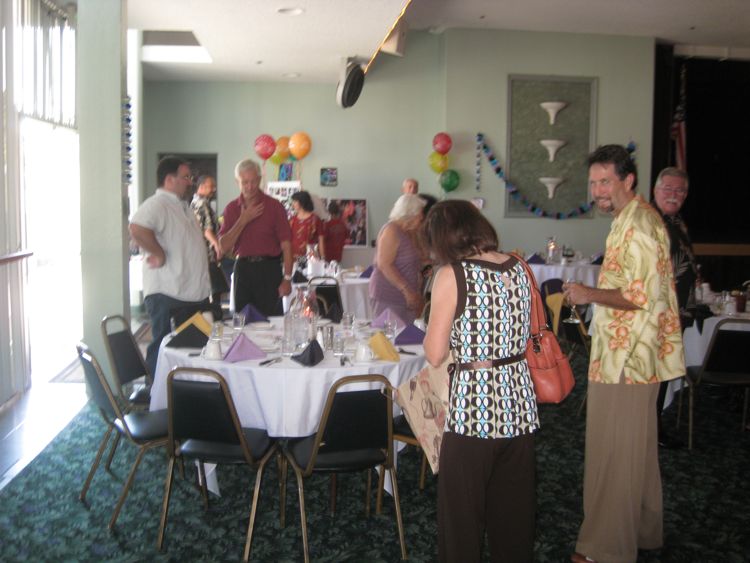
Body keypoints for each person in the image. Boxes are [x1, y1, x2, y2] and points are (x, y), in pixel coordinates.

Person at [564, 145, 685, 563]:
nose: (598, 190)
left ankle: (605, 548)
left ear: (627, 180)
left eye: (605, 181)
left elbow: (640, 296)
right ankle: (645, 531)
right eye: (593, 183)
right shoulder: (631, 218)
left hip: (627, 357)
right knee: (637, 449)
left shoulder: (638, 224)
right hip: (629, 353)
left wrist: (588, 293)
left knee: (613, 451)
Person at [422, 200, 539, 563]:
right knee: (514, 515)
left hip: (474, 409)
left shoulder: (452, 275)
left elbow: (435, 353)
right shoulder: (518, 266)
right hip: (518, 402)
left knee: (461, 520)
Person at [129, 156, 210, 375]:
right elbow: (137, 228)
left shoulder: (182, 206)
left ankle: (181, 389)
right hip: (169, 293)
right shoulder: (157, 204)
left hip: (190, 293)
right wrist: (158, 253)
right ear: (169, 179)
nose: (189, 182)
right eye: (185, 177)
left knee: (188, 352)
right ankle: (156, 391)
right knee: (164, 349)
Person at [652, 167, 696, 449]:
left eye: (680, 190)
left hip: (677, 314)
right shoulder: (649, 222)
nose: (673, 194)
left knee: (664, 374)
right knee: (654, 377)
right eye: (668, 188)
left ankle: (655, 427)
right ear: (655, 190)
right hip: (657, 316)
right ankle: (651, 431)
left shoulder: (677, 222)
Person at [218, 158, 293, 317]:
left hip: (270, 269)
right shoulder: (232, 209)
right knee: (243, 321)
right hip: (243, 269)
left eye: (253, 181)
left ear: (259, 179)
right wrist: (243, 220)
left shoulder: (274, 206)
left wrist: (287, 278)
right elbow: (223, 247)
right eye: (245, 182)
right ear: (237, 182)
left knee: (272, 321)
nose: (250, 186)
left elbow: (287, 246)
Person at [368, 194, 425, 324]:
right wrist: (406, 291)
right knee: (389, 335)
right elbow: (384, 265)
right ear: (409, 213)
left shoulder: (409, 232)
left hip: (408, 296)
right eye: (420, 213)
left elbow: (417, 259)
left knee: (407, 335)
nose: (422, 217)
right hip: (389, 295)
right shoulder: (391, 230)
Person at [191, 174, 229, 321]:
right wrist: (217, 246)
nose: (214, 189)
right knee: (214, 293)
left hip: (199, 257)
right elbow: (207, 230)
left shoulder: (193, 203)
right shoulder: (202, 204)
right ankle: (214, 322)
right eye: (211, 186)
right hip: (207, 256)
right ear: (201, 186)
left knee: (209, 292)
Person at [289, 190, 325, 260]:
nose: (293, 204)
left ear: (302, 202)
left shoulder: (315, 219)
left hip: (311, 259)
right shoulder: (292, 220)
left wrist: (323, 257)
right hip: (294, 258)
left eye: (295, 201)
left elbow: (321, 240)